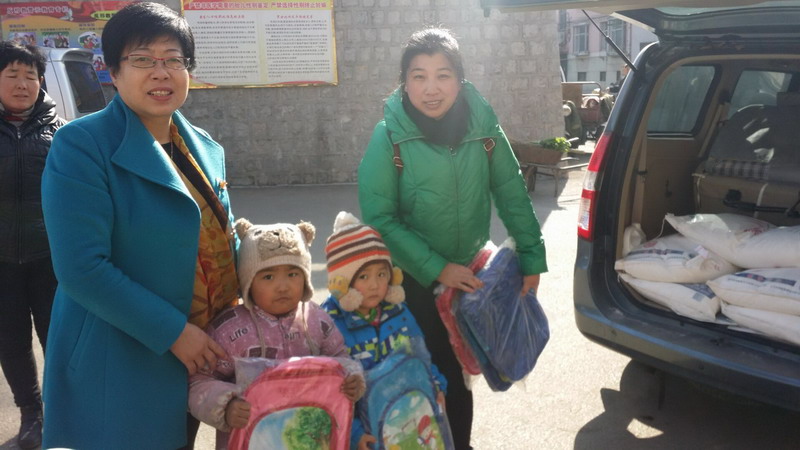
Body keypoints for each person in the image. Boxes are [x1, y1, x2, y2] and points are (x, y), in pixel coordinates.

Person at [40, 3, 239, 448]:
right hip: (122, 357)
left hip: (204, 355)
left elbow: (225, 240)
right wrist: (175, 334)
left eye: (173, 59)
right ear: (113, 71)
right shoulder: (82, 145)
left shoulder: (205, 149)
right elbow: (82, 268)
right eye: (143, 59)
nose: (160, 72)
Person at [357, 27, 548, 449]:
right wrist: (438, 268)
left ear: (459, 79)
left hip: (470, 271)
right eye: (419, 76)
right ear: (404, 82)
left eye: (442, 75)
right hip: (412, 280)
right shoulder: (388, 136)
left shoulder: (484, 128)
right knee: (428, 371)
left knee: (461, 372)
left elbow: (512, 193)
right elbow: (379, 217)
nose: (431, 88)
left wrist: (532, 257)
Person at [189, 218, 364, 449]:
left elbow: (340, 357)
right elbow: (199, 381)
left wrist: (351, 379)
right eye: (268, 277)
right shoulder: (230, 331)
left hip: (308, 439)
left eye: (293, 274)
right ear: (248, 282)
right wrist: (226, 405)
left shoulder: (317, 320)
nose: (283, 286)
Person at [321, 211, 447, 450]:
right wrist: (354, 433)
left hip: (404, 414)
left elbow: (419, 356)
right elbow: (332, 391)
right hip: (363, 429)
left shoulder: (397, 310)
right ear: (343, 284)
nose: (375, 285)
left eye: (381, 274)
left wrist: (435, 386)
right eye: (363, 276)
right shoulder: (330, 324)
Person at [0, 41, 65, 450]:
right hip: (2, 262)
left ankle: (63, 413)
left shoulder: (61, 132)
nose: (22, 83)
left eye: (30, 75)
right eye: (12, 75)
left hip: (50, 260)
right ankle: (31, 415)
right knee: (11, 343)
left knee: (57, 339)